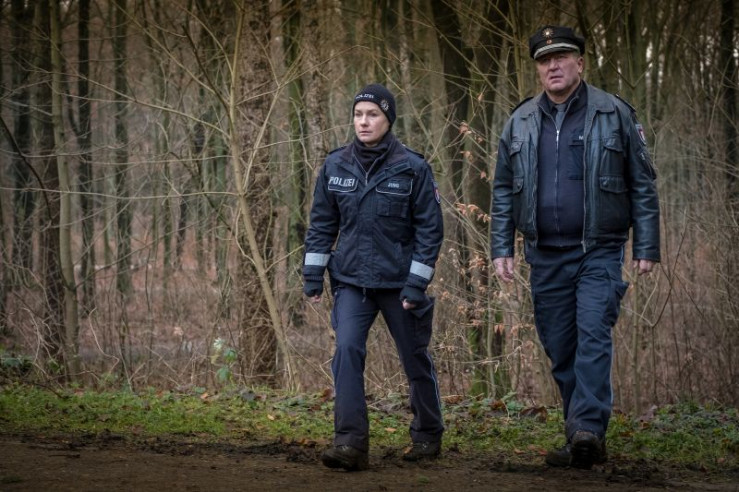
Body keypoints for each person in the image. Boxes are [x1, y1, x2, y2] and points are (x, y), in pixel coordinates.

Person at [490, 26, 660, 469]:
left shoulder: (614, 113)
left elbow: (642, 183)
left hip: (598, 249)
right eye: (544, 60)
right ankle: (579, 432)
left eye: (561, 57)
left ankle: (588, 429)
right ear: (538, 69)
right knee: (560, 345)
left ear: (580, 63)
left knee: (593, 334)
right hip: (544, 253)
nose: (553, 66)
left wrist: (646, 244)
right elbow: (504, 188)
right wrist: (501, 246)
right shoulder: (520, 121)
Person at [302, 83, 445, 471]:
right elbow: (322, 223)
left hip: (400, 284)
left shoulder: (413, 168)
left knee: (414, 357)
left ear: (388, 120)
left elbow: (430, 231)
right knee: (347, 351)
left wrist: (416, 283)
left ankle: (428, 433)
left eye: (373, 115)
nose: (363, 122)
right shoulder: (335, 165)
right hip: (352, 281)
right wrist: (313, 273)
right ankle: (350, 443)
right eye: (358, 114)